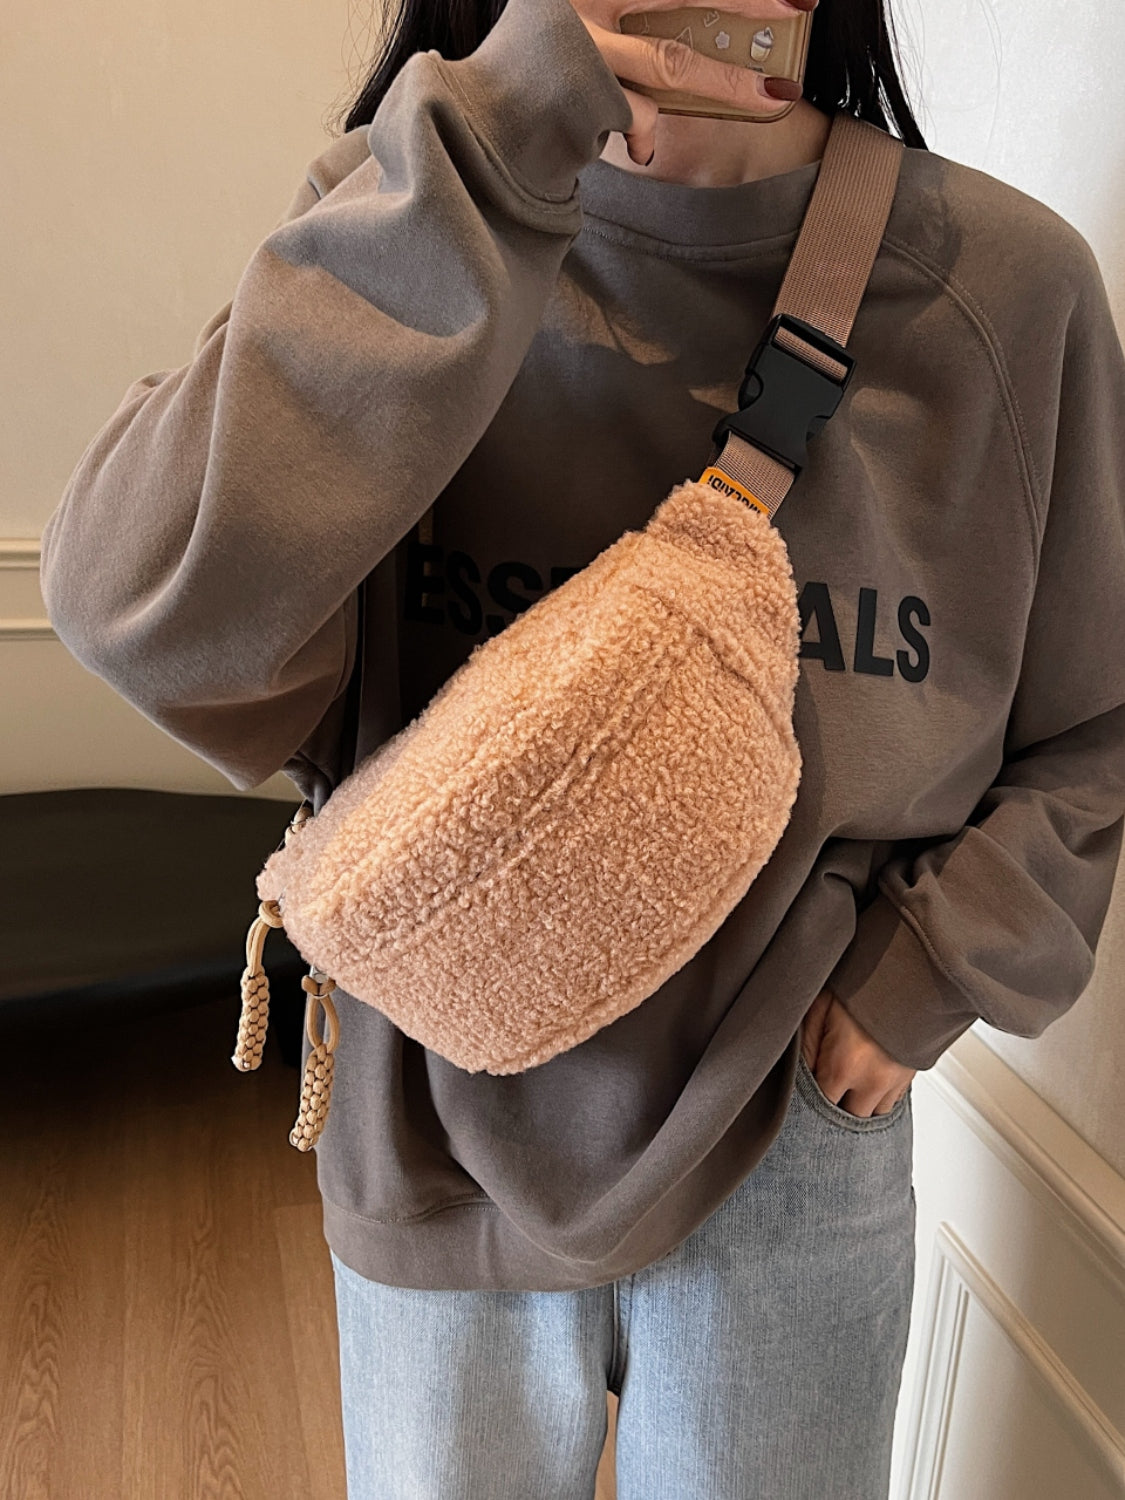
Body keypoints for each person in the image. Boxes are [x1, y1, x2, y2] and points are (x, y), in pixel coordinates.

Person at [39, 0, 1125, 1493]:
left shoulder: (1004, 290)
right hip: (435, 1107)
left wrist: (933, 970)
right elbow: (139, 603)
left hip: (793, 1112)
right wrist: (486, 141)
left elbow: (1093, 719)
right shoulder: (406, 215)